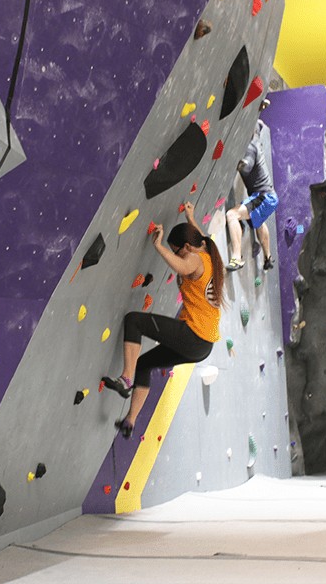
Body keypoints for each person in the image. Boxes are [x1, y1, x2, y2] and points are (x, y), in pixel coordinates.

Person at [102, 202, 224, 438]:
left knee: (134, 321)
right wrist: (190, 216)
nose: (177, 253)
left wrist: (158, 245)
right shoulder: (207, 251)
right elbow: (198, 236)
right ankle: (130, 420)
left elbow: (181, 265)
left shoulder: (195, 260)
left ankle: (127, 379)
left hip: (193, 335)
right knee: (145, 364)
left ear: (187, 247)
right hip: (203, 346)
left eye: (177, 249)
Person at [224, 119, 278, 272]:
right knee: (258, 221)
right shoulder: (256, 141)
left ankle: (236, 258)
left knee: (232, 215)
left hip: (263, 197)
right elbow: (259, 123)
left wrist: (237, 163)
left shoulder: (250, 147)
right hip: (269, 196)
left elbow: (246, 167)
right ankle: (268, 258)